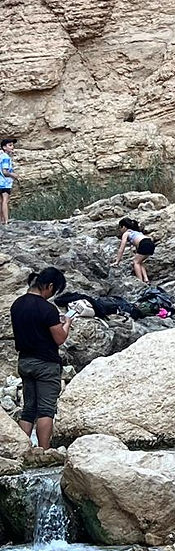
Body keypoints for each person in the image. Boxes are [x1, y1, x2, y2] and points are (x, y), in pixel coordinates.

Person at [10, 267, 71, 450]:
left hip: (25, 362)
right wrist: (66, 324)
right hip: (45, 363)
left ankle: (22, 450)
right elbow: (59, 338)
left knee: (28, 409)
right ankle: (43, 452)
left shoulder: (17, 304)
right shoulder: (47, 309)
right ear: (49, 286)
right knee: (46, 409)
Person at [114, 217, 156, 283]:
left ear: (124, 227)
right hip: (150, 243)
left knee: (135, 262)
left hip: (144, 243)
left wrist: (117, 262)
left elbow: (121, 249)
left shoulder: (126, 233)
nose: (120, 230)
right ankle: (146, 279)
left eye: (120, 228)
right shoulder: (137, 232)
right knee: (140, 262)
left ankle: (140, 282)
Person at [0, 136, 15, 225]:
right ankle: (6, 220)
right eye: (10, 145)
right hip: (5, 182)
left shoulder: (1, 156)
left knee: (1, 201)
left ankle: (1, 220)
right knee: (5, 200)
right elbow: (5, 172)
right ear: (4, 147)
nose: (12, 147)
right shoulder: (6, 158)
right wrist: (13, 175)